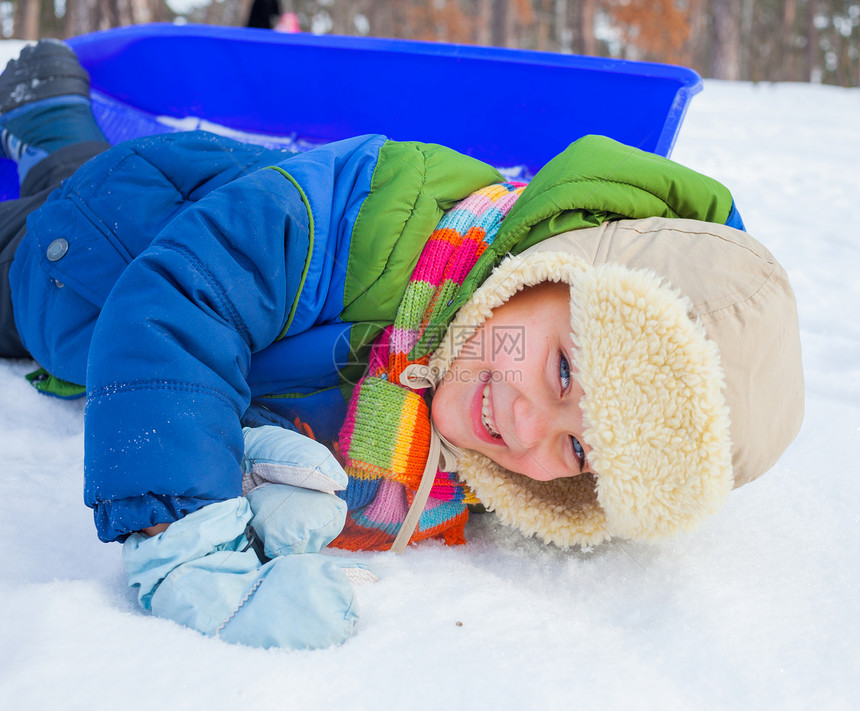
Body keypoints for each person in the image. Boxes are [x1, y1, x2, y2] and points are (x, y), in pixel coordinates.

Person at [0, 41, 804, 649]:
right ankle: (47, 113)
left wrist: (273, 478)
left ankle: (49, 123)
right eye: (564, 368)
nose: (527, 425)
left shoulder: (477, 408)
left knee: (65, 170)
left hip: (137, 280)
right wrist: (188, 538)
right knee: (52, 207)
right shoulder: (382, 215)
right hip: (99, 259)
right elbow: (182, 300)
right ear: (558, 267)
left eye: (582, 448)